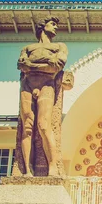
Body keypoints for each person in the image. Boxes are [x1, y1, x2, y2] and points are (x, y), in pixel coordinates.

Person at [17, 17, 68, 176]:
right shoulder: (28, 48)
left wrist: (31, 66)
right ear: (42, 26)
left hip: (46, 85)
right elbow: (21, 65)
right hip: (27, 85)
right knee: (27, 127)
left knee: (44, 126)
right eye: (53, 24)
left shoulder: (59, 46)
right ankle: (26, 169)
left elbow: (56, 66)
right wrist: (46, 62)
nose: (56, 27)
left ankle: (52, 165)